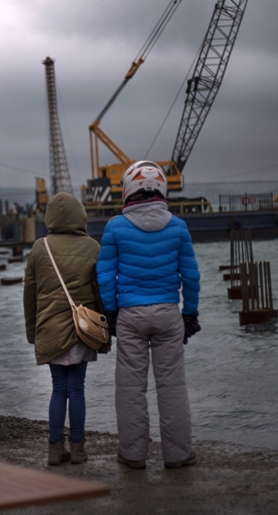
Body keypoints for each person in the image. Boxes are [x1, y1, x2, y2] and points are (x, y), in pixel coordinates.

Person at [97, 161, 201, 470]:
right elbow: (191, 276)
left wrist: (111, 314)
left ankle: (133, 456)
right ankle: (179, 456)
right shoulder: (178, 227)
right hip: (169, 313)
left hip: (130, 315)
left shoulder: (115, 227)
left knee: (131, 389)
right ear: (162, 189)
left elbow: (105, 277)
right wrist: (190, 314)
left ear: (128, 189)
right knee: (172, 387)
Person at [24, 192, 109, 466]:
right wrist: (106, 330)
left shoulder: (40, 247)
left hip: (49, 330)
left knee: (58, 388)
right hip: (82, 330)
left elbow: (30, 294)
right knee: (77, 389)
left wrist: (32, 332)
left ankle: (53, 450)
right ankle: (79, 450)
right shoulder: (93, 247)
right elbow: (100, 292)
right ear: (79, 215)